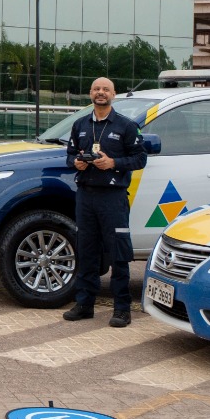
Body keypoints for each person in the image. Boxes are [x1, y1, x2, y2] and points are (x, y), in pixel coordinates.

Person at [63, 76, 147, 326]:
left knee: (118, 253)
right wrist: (75, 162)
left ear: (114, 94)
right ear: (90, 93)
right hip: (86, 195)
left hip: (113, 198)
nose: (101, 93)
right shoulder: (79, 125)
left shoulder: (127, 126)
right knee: (87, 251)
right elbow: (69, 155)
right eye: (97, 89)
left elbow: (140, 159)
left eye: (106, 89)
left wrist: (113, 163)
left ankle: (122, 309)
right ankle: (84, 304)